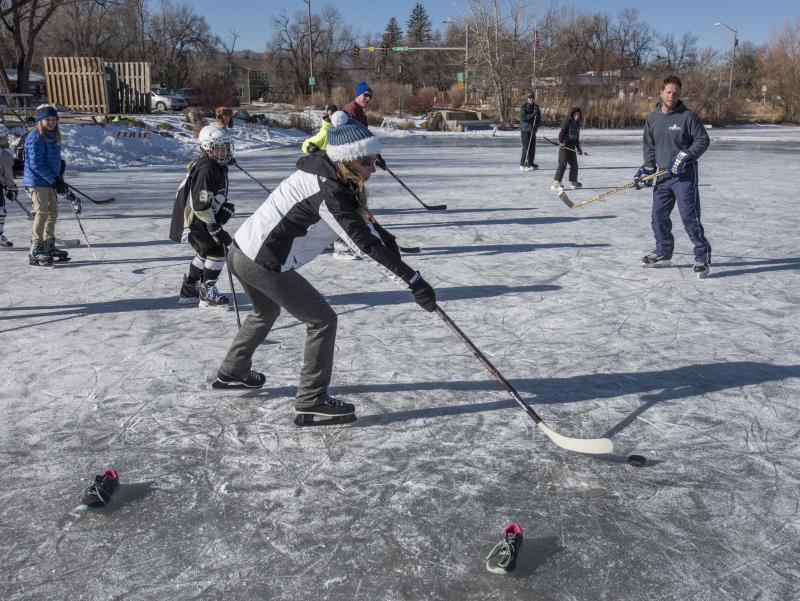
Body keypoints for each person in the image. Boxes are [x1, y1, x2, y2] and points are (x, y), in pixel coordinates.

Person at [212, 111, 437, 427]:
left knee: (265, 313)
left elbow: (368, 228)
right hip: (263, 262)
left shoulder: (328, 170)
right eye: (367, 161)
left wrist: (391, 246)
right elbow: (362, 243)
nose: (374, 167)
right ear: (347, 159)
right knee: (322, 320)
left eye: (376, 159)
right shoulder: (330, 192)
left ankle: (232, 371)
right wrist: (412, 280)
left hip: (241, 251)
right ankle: (311, 401)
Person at [635, 75, 711, 278]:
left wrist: (687, 154)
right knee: (658, 216)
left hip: (684, 176)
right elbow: (649, 146)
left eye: (675, 92)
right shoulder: (653, 118)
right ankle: (663, 253)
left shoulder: (688, 116)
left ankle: (702, 256)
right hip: (662, 176)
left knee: (689, 217)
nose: (672, 95)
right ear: (660, 93)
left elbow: (702, 140)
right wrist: (647, 169)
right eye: (668, 92)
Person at [169, 124, 236, 307]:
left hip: (197, 217)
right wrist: (214, 227)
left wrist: (221, 209)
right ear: (208, 147)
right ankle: (207, 292)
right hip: (192, 219)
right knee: (216, 250)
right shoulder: (207, 168)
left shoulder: (215, 165)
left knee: (204, 251)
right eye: (221, 147)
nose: (226, 151)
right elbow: (200, 204)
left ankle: (190, 288)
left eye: (227, 147)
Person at [24, 105, 68, 267]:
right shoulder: (35, 136)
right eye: (47, 120)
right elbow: (36, 163)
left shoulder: (54, 135)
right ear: (39, 121)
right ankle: (36, 247)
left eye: (54, 119)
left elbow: (52, 160)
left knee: (53, 212)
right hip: (37, 181)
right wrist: (54, 179)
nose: (51, 122)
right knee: (42, 212)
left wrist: (60, 173)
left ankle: (48, 244)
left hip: (49, 180)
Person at [551, 107, 584, 192]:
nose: (577, 116)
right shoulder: (568, 122)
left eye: (578, 115)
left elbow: (576, 138)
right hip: (564, 147)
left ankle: (573, 181)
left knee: (574, 165)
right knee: (563, 164)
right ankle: (556, 182)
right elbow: (562, 133)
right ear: (572, 115)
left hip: (572, 148)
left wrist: (578, 147)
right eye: (575, 115)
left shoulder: (578, 124)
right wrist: (561, 142)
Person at [0, 124, 17, 247]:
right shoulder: (4, 154)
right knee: (1, 211)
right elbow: (8, 175)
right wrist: (11, 187)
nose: (7, 139)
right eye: (4, 137)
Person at [519, 91, 541, 171]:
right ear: (527, 99)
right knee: (526, 147)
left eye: (532, 98)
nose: (531, 99)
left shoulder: (536, 107)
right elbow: (524, 118)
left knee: (532, 147)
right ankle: (522, 163)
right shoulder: (523, 107)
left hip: (532, 130)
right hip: (525, 130)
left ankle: (530, 162)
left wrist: (536, 126)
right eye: (529, 98)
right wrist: (533, 115)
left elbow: (538, 119)